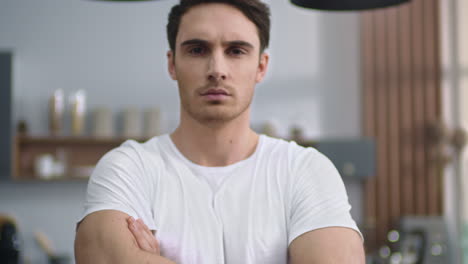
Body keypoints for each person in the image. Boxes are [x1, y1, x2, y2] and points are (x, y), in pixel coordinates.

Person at [74, 0, 365, 263]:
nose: (217, 69)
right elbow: (99, 256)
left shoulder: (305, 170)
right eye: (197, 50)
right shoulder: (128, 167)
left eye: (236, 51)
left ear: (261, 67)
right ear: (172, 64)